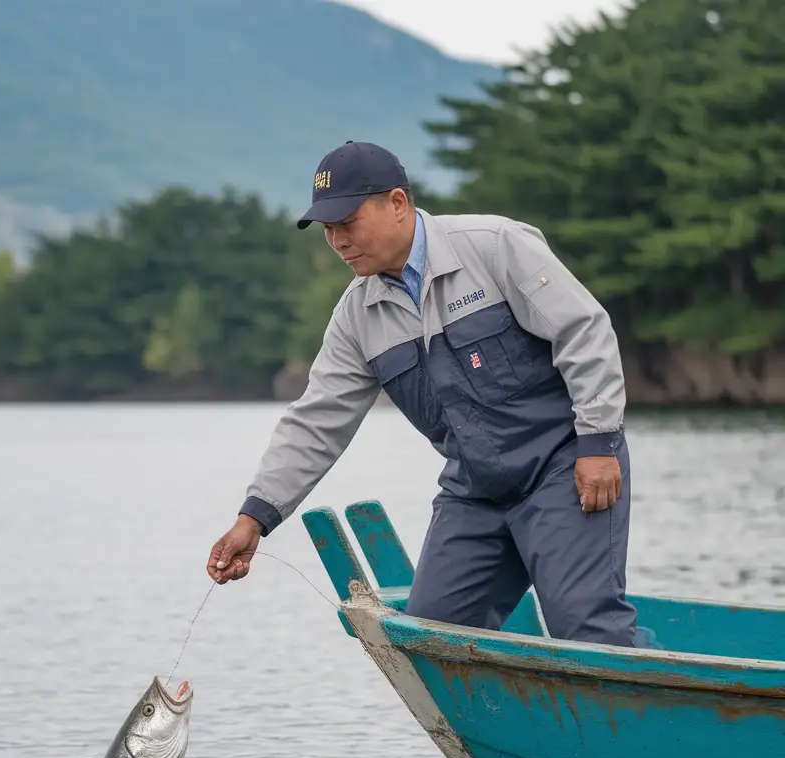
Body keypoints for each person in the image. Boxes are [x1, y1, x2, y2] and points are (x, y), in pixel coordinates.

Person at [206, 140, 636, 646]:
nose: (338, 241)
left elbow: (584, 331)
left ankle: (648, 714)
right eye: (327, 230)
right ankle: (487, 728)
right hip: (473, 490)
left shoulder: (495, 246)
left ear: (397, 203)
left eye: (347, 222)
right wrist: (253, 518)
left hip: (566, 468)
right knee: (429, 636)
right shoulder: (356, 317)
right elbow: (315, 421)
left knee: (585, 628)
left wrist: (599, 444)